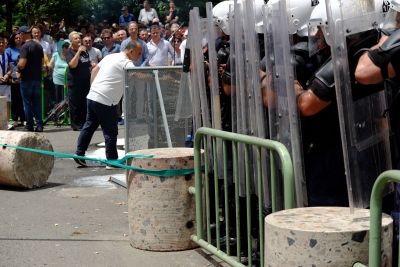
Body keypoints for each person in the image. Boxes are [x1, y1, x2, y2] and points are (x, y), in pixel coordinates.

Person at [74, 40, 142, 170]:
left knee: (89, 125)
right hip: (105, 100)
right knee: (110, 131)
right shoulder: (127, 63)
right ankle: (111, 161)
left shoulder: (110, 56)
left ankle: (79, 153)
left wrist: (93, 88)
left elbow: (94, 71)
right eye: (138, 54)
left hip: (93, 95)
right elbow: (140, 76)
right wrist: (159, 77)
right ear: (131, 51)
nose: (139, 57)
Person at [17, 30, 44, 132]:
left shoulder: (25, 46)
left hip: (27, 78)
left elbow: (22, 63)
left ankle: (29, 125)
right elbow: (41, 63)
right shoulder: (39, 46)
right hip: (37, 78)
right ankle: (39, 124)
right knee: (36, 102)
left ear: (22, 34)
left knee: (27, 103)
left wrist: (18, 69)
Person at [66, 31, 91, 131]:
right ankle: (76, 124)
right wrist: (78, 52)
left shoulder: (85, 50)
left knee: (84, 101)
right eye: (75, 38)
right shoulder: (70, 51)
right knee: (75, 102)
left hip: (85, 79)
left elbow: (86, 62)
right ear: (71, 41)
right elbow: (72, 65)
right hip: (74, 80)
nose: (78, 40)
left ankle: (85, 122)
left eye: (79, 38)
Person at [6, 32, 25, 128]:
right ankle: (14, 119)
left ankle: (23, 119)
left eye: (19, 38)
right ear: (13, 39)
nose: (18, 39)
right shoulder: (9, 50)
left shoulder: (24, 48)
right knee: (14, 99)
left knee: (23, 98)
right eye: (16, 38)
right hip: (13, 77)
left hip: (23, 76)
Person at [45, 39, 70, 104]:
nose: (67, 48)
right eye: (65, 46)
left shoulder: (71, 55)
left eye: (68, 46)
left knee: (67, 99)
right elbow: (50, 64)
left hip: (68, 80)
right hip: (57, 80)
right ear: (62, 47)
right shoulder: (56, 54)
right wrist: (45, 67)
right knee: (57, 99)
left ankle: (66, 113)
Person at [0, 36, 13, 130]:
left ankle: (7, 122)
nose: (1, 45)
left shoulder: (6, 54)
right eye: (0, 43)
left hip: (5, 83)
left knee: (7, 103)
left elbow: (11, 68)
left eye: (2, 43)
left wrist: (7, 75)